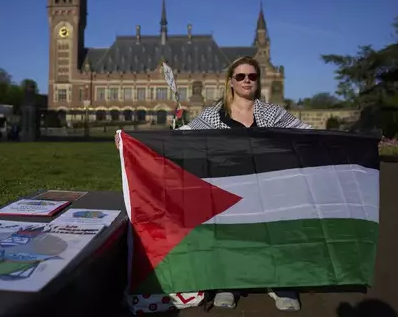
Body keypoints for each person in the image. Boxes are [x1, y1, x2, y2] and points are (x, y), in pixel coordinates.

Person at [115, 56, 311, 312]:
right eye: (240, 76)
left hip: (266, 187)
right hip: (229, 185)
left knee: (270, 233)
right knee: (230, 234)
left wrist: (359, 141)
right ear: (231, 81)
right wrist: (133, 141)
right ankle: (227, 284)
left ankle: (280, 284)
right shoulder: (216, 114)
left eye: (252, 76)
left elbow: (307, 133)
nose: (246, 81)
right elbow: (182, 138)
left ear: (258, 80)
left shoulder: (272, 113)